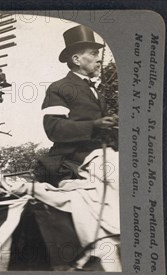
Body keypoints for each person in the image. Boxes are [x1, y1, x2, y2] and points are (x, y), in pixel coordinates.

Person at [38, 25, 117, 186]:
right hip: (72, 159)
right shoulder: (59, 87)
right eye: (93, 54)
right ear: (76, 60)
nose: (99, 59)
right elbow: (54, 128)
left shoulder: (95, 90)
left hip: (102, 155)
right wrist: (94, 125)